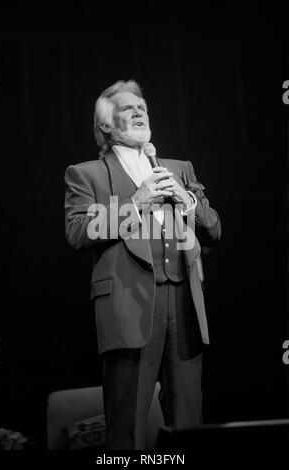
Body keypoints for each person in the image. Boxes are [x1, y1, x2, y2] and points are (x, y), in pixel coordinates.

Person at [64, 80, 221, 450]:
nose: (139, 112)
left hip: (183, 303)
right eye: (127, 108)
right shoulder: (87, 174)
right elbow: (78, 231)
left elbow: (214, 228)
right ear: (105, 125)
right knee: (128, 428)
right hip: (129, 305)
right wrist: (135, 202)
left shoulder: (179, 168)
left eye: (142, 107)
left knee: (188, 422)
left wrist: (186, 201)